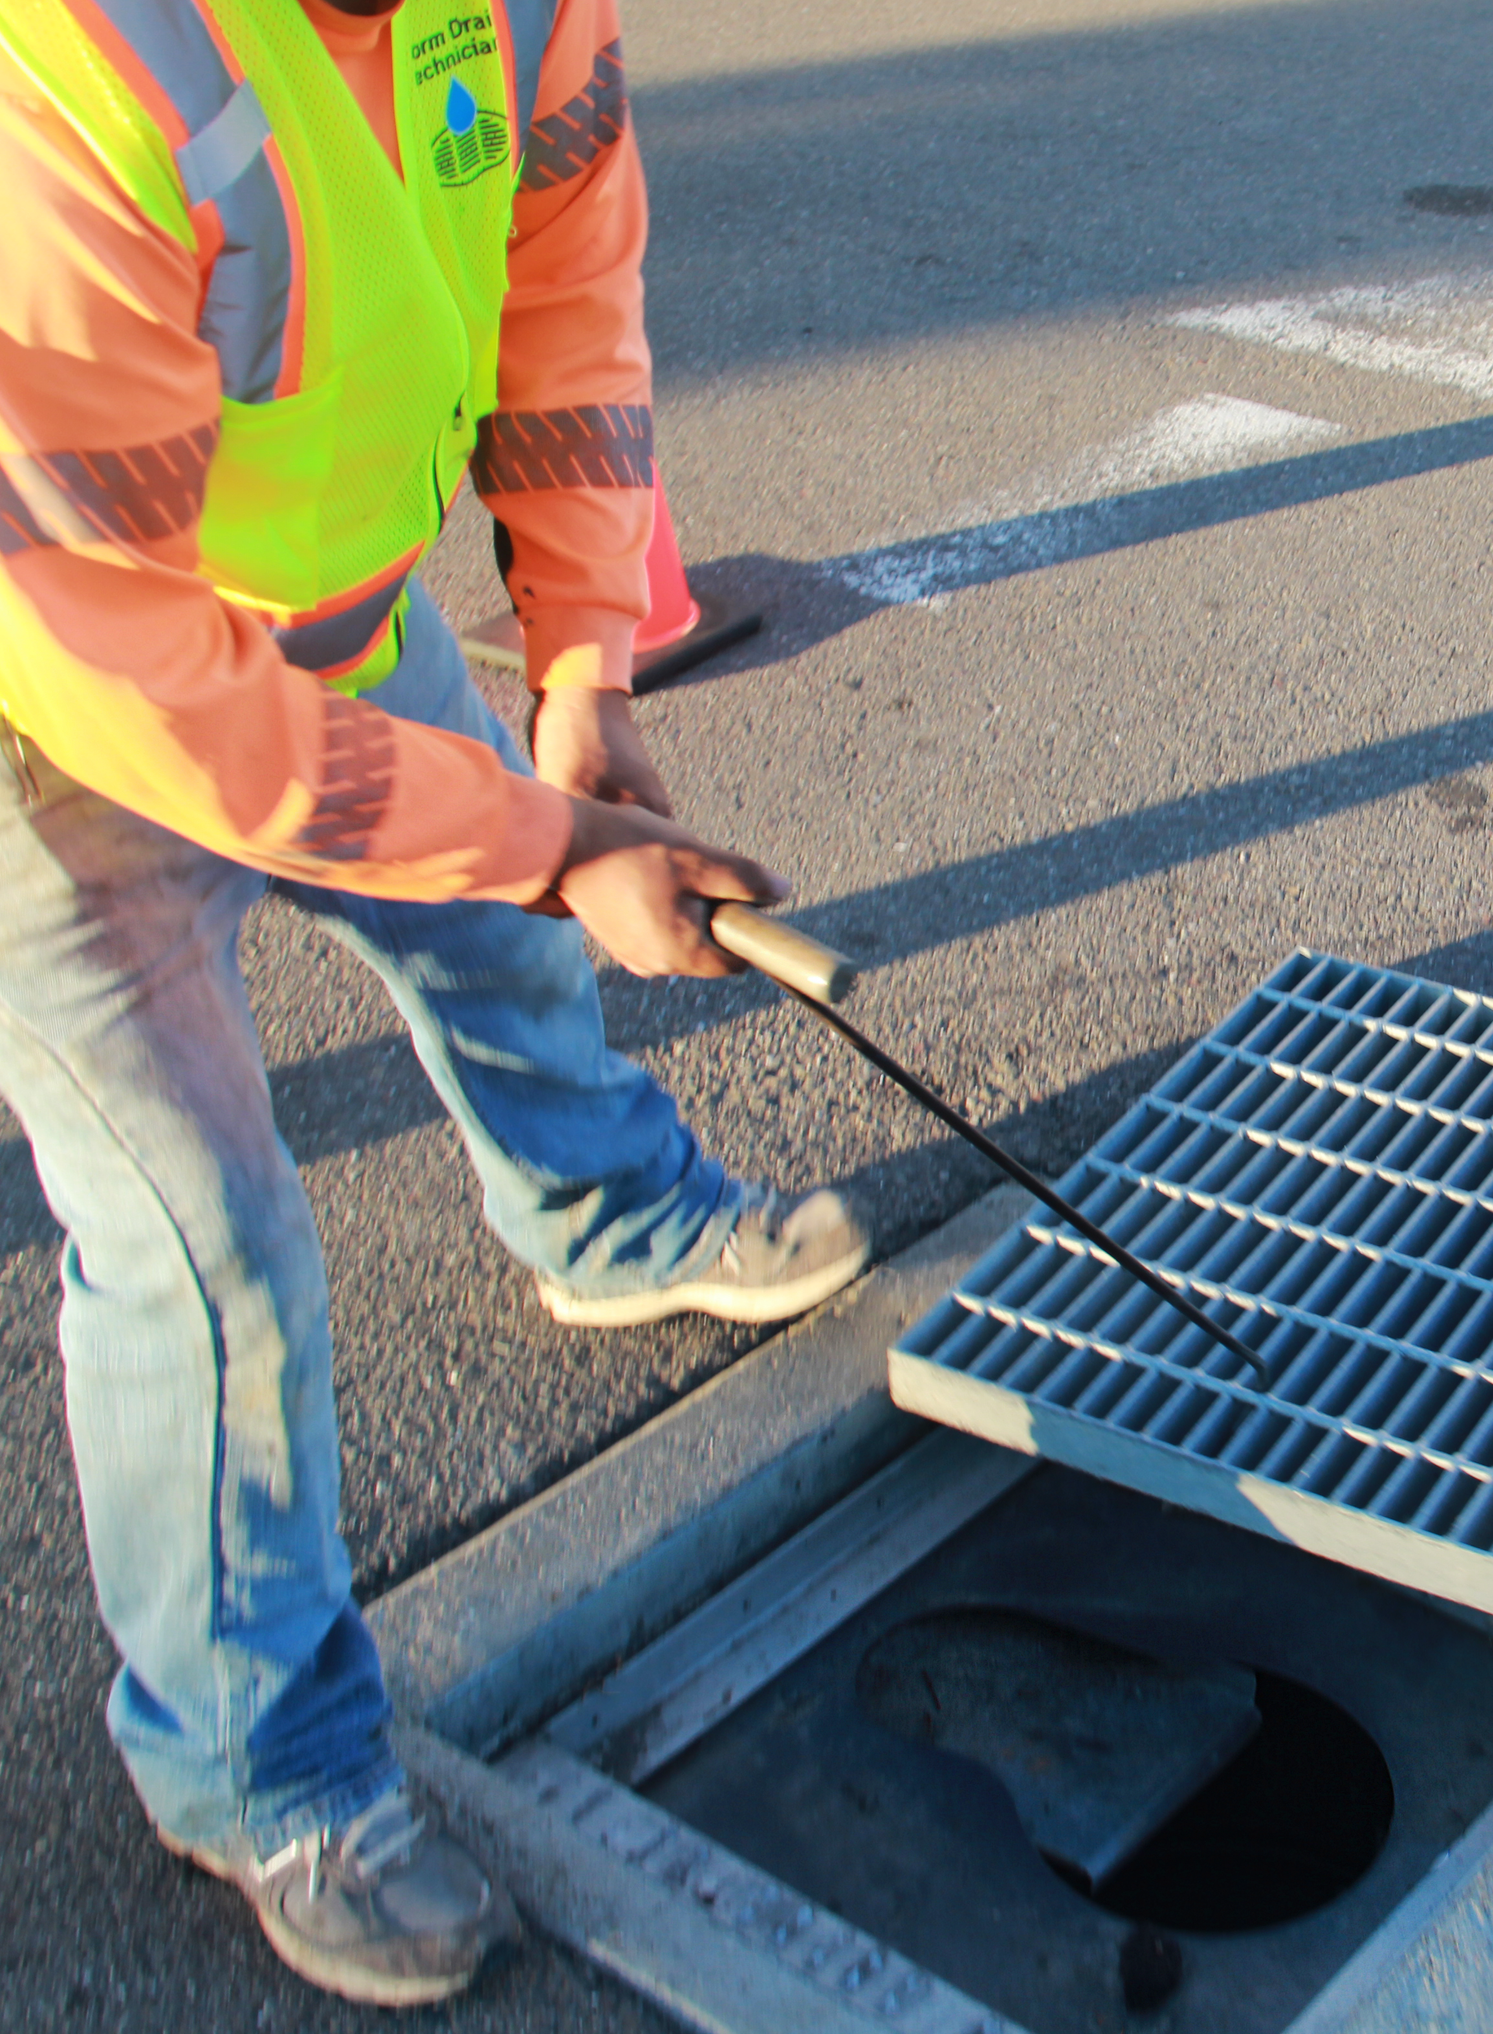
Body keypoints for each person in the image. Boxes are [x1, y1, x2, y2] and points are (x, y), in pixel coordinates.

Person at [0, 0, 864, 2004]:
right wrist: (550, 842)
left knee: (493, 934)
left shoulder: (527, 11)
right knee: (199, 1243)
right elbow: (105, 642)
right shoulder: (83, 61)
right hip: (64, 723)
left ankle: (601, 1212)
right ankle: (256, 1764)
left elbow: (563, 302)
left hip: (346, 609)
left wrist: (579, 668)